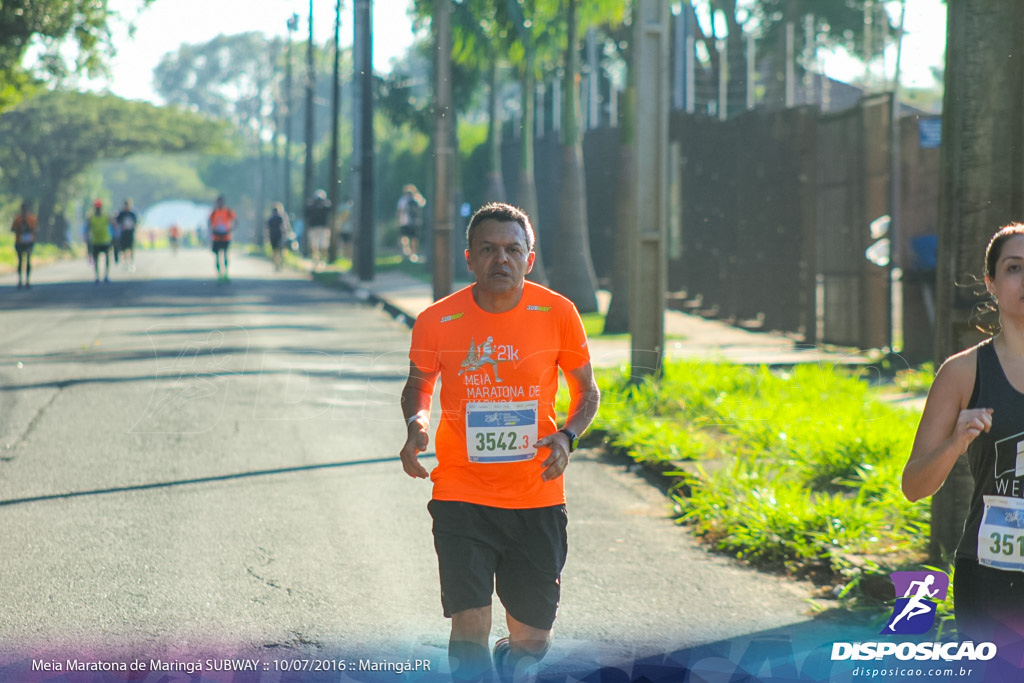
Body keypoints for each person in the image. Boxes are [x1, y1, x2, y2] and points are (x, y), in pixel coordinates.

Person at [399, 202, 601, 682]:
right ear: (469, 258)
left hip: (537, 496)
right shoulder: (436, 320)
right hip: (461, 494)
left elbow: (587, 391)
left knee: (533, 639)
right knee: (469, 624)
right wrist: (416, 424)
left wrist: (568, 437)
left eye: (512, 249)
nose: (500, 259)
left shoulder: (558, 313)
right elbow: (419, 384)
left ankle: (511, 660)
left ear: (529, 259)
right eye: (488, 249)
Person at [902, 223, 1024, 649]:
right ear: (991, 283)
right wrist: (955, 443)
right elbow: (914, 486)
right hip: (989, 576)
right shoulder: (962, 372)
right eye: (1014, 268)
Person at [208, 194, 236, 283]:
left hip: (226, 236)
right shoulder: (213, 213)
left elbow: (236, 221)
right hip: (216, 237)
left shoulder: (228, 211)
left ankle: (226, 273)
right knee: (217, 257)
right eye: (218, 202)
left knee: (225, 255)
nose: (220, 203)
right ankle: (219, 275)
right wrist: (213, 230)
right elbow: (209, 223)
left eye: (221, 202)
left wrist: (230, 229)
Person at [11, 200, 37, 290]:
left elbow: (36, 228)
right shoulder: (17, 219)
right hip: (19, 242)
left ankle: (28, 280)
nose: (25, 210)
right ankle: (20, 281)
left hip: (29, 242)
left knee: (28, 261)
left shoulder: (32, 218)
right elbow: (12, 229)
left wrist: (29, 229)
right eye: (23, 208)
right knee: (20, 261)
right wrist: (19, 229)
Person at [85, 199, 113, 283]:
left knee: (107, 257)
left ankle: (106, 275)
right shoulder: (91, 217)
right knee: (95, 259)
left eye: (99, 207)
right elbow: (87, 228)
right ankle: (97, 276)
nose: (98, 209)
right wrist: (87, 238)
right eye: (96, 207)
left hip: (105, 240)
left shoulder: (106, 216)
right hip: (95, 241)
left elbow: (113, 224)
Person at [396, 184, 426, 262]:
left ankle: (413, 254)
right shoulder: (403, 200)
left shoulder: (416, 199)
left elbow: (422, 205)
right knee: (405, 238)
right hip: (404, 222)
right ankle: (406, 252)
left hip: (413, 222)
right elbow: (399, 211)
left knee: (413, 238)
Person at [304, 189, 332, 271]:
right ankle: (316, 260)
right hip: (314, 228)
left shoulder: (325, 206)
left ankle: (322, 261)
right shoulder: (311, 207)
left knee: (323, 246)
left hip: (322, 228)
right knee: (315, 245)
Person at [266, 203, 291, 272]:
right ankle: (281, 262)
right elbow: (283, 227)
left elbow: (267, 229)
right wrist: (286, 234)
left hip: (272, 237)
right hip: (280, 236)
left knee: (275, 251)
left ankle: (276, 264)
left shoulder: (270, 219)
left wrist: (267, 238)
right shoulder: (280, 218)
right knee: (282, 251)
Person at [116, 198, 139, 271]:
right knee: (124, 249)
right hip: (124, 233)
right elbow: (117, 221)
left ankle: (132, 263)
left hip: (131, 233)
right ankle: (126, 263)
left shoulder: (133, 213)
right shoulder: (121, 213)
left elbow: (137, 222)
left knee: (131, 249)